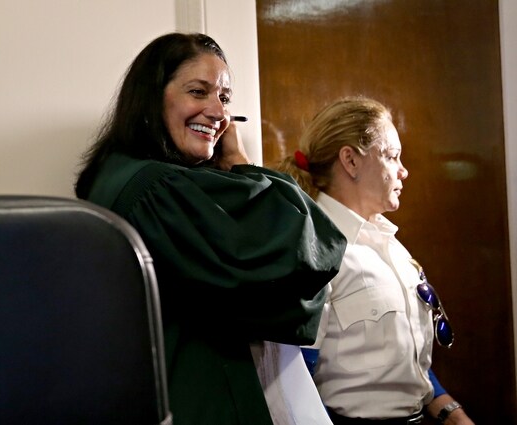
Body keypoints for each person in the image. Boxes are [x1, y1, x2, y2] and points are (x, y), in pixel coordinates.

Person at [74, 32, 346, 425]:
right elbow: (302, 250)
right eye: (198, 92)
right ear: (151, 97)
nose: (219, 113)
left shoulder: (122, 174)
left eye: (224, 98)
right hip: (197, 397)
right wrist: (239, 161)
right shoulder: (158, 189)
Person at [270, 96, 475, 425]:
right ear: (351, 161)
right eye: (392, 156)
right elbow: (293, 381)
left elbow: (404, 362)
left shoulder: (391, 245)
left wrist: (451, 412)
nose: (404, 171)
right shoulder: (315, 248)